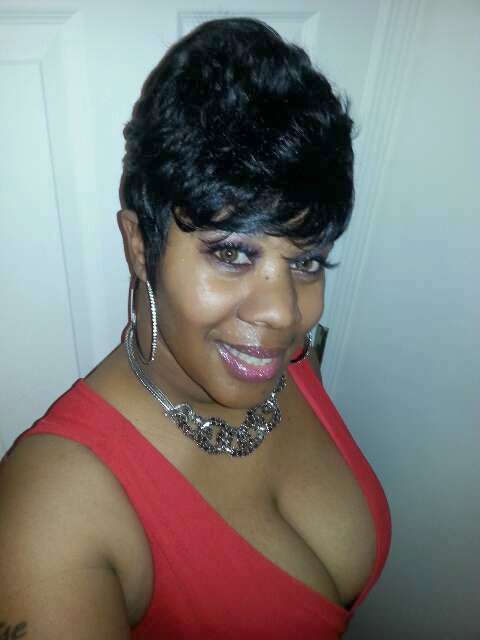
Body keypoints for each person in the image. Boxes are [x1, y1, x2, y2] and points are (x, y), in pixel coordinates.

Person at [0, 17, 391, 639]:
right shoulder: (49, 508)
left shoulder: (287, 358)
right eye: (232, 253)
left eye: (307, 260)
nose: (284, 313)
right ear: (139, 245)